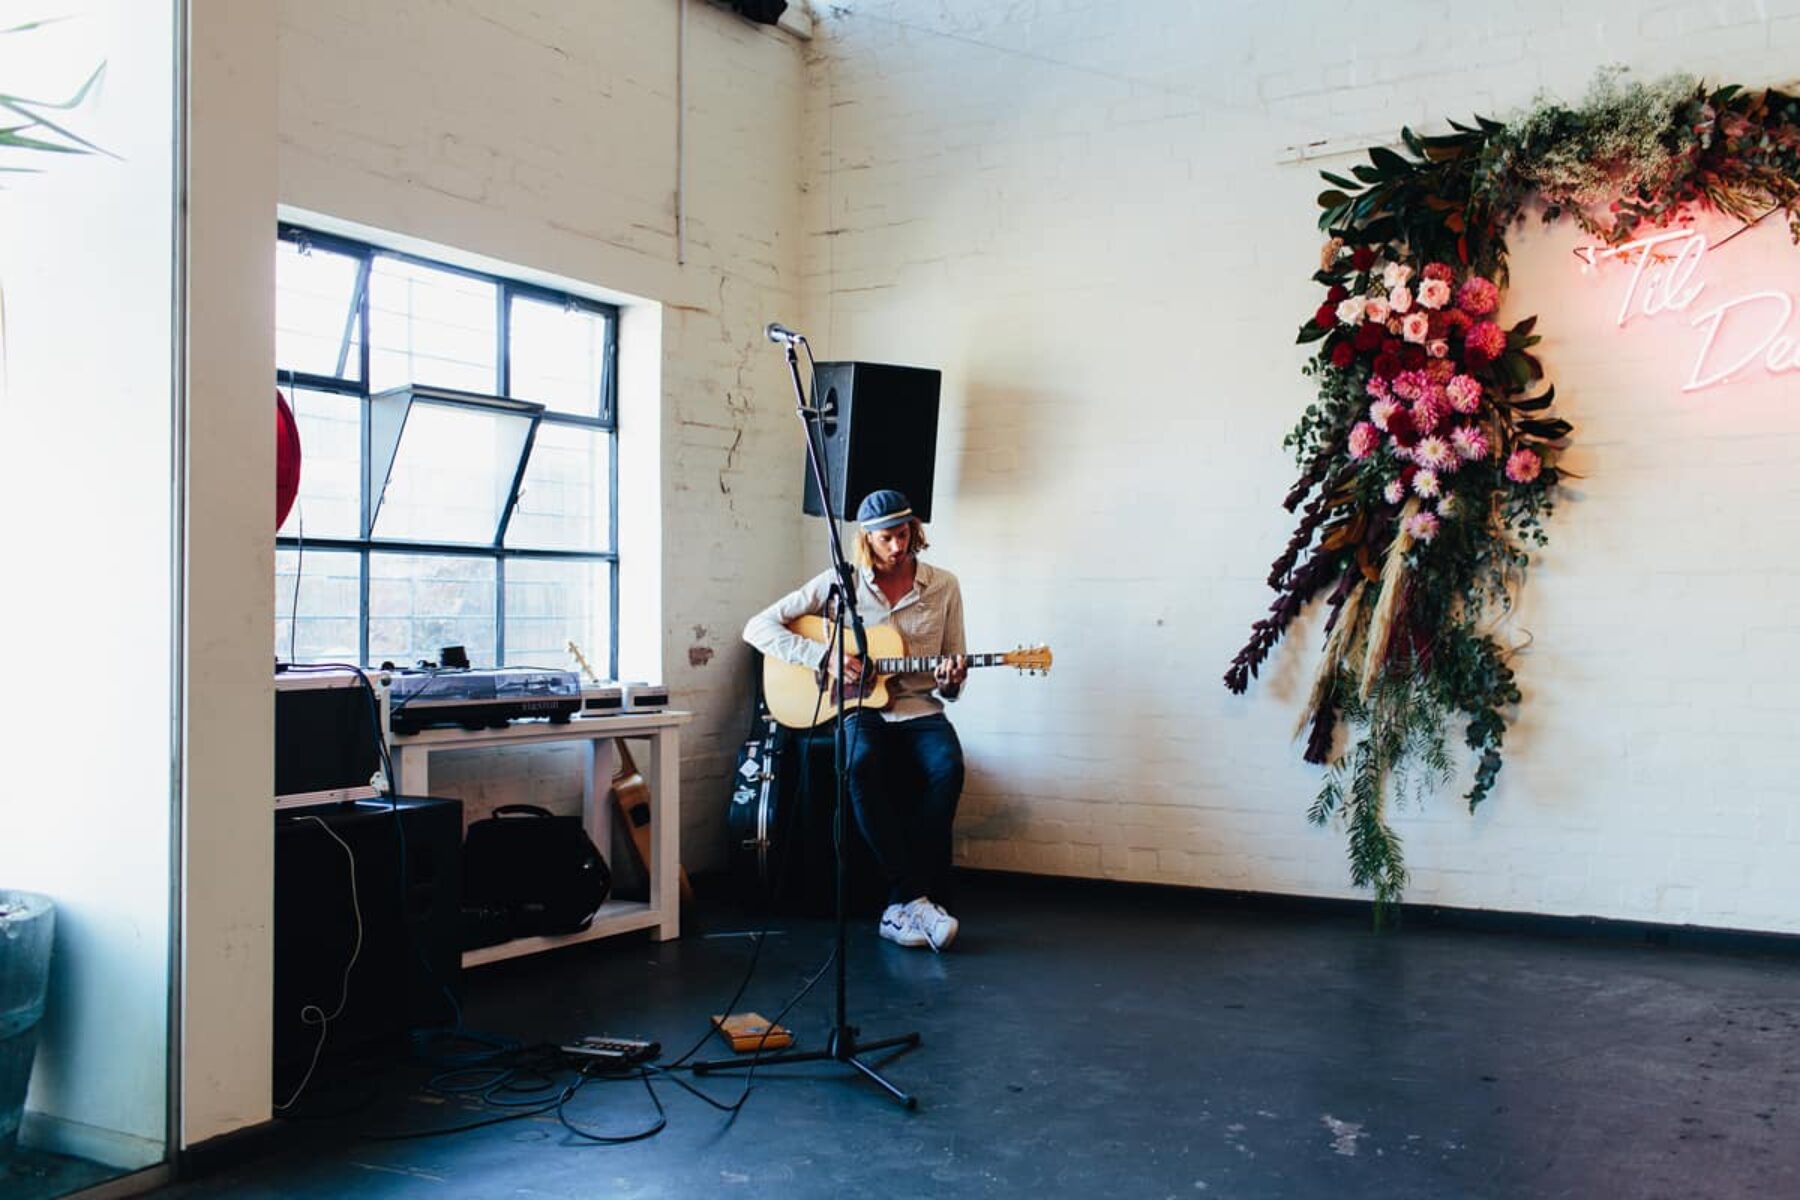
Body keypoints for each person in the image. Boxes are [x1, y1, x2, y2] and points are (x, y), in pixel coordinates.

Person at [743, 489, 968, 951]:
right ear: (866, 539)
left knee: (948, 768)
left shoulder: (944, 586)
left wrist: (951, 678)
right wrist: (822, 657)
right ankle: (914, 899)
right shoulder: (837, 584)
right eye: (886, 538)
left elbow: (951, 679)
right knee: (858, 766)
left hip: (919, 707)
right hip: (857, 706)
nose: (897, 547)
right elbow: (758, 627)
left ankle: (902, 902)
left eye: (903, 535)